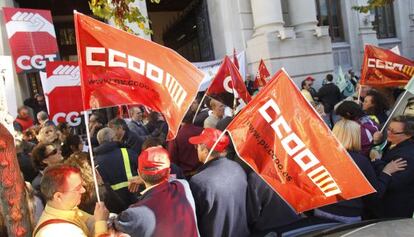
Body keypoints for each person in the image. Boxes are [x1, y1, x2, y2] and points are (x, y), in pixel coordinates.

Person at [315, 119, 406, 222]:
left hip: (320, 210)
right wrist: (386, 172)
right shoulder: (361, 161)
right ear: (356, 136)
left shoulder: (322, 156)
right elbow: (375, 194)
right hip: (348, 216)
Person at [114, 147, 199, 237]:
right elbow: (170, 180)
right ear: (168, 172)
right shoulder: (182, 185)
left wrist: (101, 221)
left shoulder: (132, 215)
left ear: (138, 172)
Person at [189, 128, 250, 237]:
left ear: (206, 151)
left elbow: (194, 219)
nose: (196, 149)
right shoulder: (237, 168)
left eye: (197, 146)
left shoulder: (199, 182)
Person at [33, 164, 109, 237]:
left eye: (82, 185)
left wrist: (101, 219)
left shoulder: (68, 209)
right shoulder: (56, 232)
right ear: (58, 196)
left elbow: (91, 225)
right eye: (77, 188)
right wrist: (101, 222)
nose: (83, 190)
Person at [372, 115, 414, 218]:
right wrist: (376, 143)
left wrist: (377, 161)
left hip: (393, 210)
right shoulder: (393, 143)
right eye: (389, 129)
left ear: (408, 135)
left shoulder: (407, 155)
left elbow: (392, 183)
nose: (388, 133)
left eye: (393, 132)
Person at [94, 127, 138, 208]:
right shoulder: (127, 152)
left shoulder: (95, 161)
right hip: (133, 198)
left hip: (112, 204)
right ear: (113, 139)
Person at [167, 111, 203, 178]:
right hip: (202, 172)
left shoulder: (175, 136)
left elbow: (172, 158)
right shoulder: (202, 131)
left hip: (186, 175)